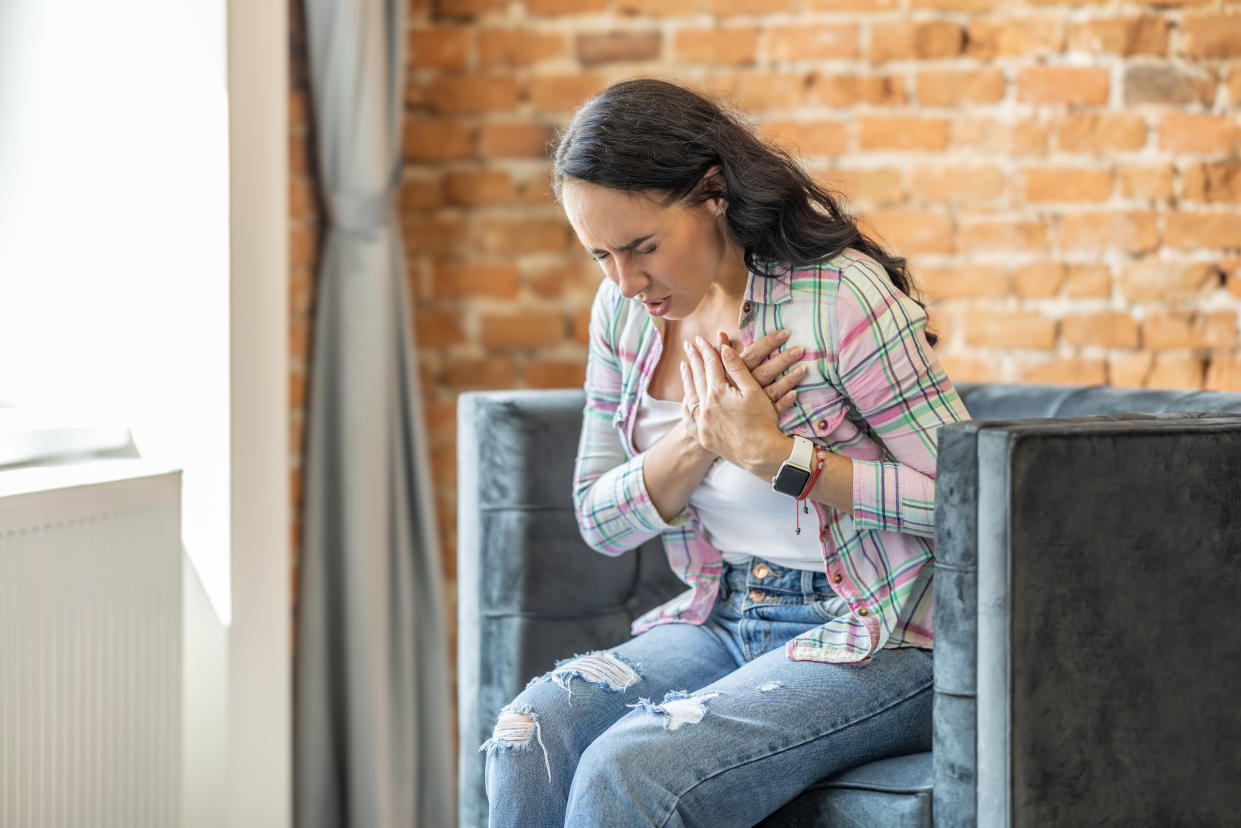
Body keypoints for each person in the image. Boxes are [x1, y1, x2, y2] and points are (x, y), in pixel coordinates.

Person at [481, 78, 971, 827]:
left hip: (879, 628)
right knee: (526, 739)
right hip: (720, 612)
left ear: (712, 191)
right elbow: (598, 518)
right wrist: (701, 436)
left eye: (642, 247)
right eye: (600, 255)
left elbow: (963, 502)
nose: (625, 281)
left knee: (628, 770)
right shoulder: (622, 313)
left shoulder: (836, 295)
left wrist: (781, 457)